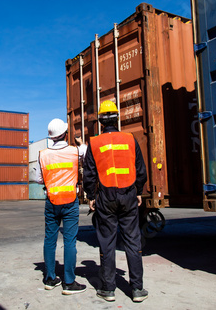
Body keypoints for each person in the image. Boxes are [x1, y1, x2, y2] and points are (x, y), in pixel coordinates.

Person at [83, 100, 149, 303]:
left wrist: (91, 196)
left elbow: (89, 174)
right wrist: (138, 190)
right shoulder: (130, 139)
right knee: (132, 240)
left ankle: (108, 289)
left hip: (106, 197)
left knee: (107, 242)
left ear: (101, 121)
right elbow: (140, 169)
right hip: (128, 194)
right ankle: (137, 289)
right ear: (117, 118)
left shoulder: (94, 142)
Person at [35, 118, 88, 295]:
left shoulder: (43, 154)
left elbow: (39, 179)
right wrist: (82, 143)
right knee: (69, 241)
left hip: (51, 201)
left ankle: (50, 279)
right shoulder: (75, 151)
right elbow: (88, 155)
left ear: (51, 137)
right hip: (70, 201)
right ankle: (69, 281)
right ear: (65, 134)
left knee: (50, 239)